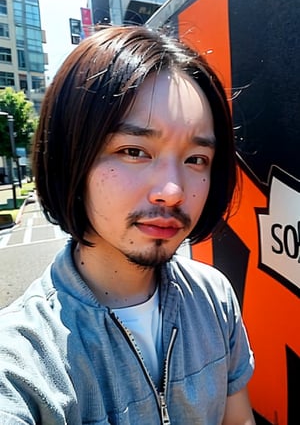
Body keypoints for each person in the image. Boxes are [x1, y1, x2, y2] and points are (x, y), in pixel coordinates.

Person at [0, 25, 255, 424]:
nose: (172, 191)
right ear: (71, 157)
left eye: (196, 159)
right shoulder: (22, 361)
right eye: (134, 151)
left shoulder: (213, 297)